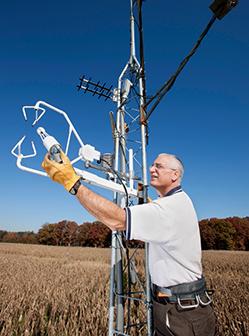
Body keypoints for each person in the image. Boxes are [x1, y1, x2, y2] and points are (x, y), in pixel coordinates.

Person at [42, 151, 216, 336]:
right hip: (178, 307)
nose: (151, 169)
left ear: (175, 175)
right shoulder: (176, 203)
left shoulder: (170, 208)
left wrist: (72, 183)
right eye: (152, 165)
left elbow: (118, 220)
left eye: (159, 166)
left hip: (183, 314)